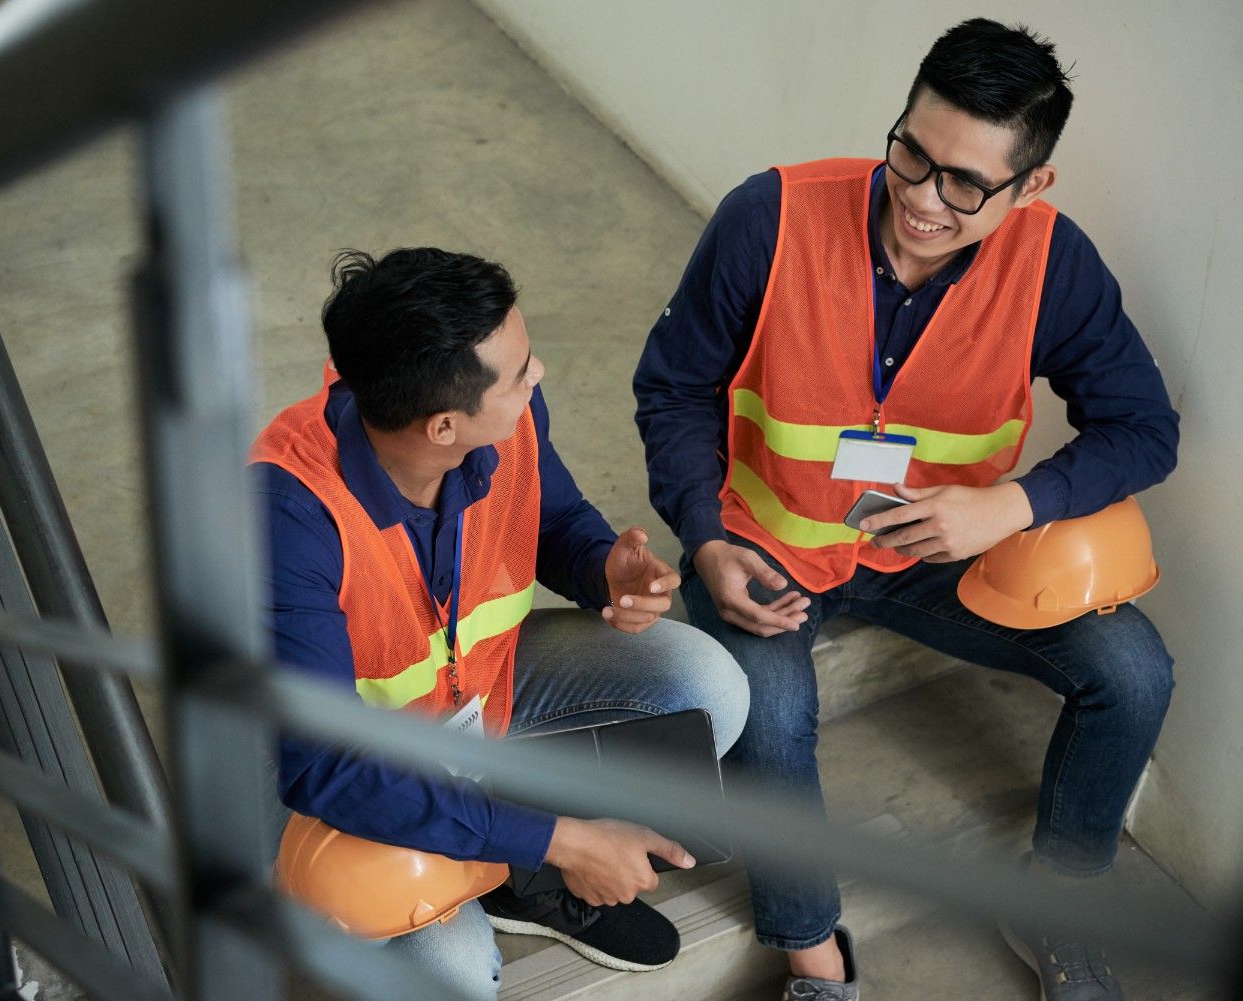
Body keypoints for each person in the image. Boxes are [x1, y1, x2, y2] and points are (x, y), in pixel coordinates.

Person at [633, 18, 1178, 1001]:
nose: (922, 199)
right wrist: (705, 538)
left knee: (1133, 671)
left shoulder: (1056, 265)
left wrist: (1013, 503)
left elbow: (1144, 430)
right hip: (767, 546)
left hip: (938, 559)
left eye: (965, 183)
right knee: (775, 711)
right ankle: (815, 959)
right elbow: (672, 389)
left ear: (1032, 187)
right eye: (911, 154)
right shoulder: (770, 217)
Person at [256, 247, 749, 999]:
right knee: (451, 977)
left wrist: (599, 567)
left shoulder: (503, 422)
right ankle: (517, 857)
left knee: (705, 683)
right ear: (444, 425)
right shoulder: (289, 514)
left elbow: (552, 516)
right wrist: (563, 839)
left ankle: (512, 874)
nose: (539, 373)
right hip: (364, 777)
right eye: (520, 372)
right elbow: (328, 766)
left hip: (481, 711)